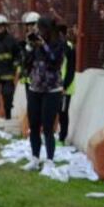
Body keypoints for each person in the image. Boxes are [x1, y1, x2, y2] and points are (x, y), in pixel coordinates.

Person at [22, 17, 66, 173]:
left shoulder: (59, 43)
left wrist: (44, 46)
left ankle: (49, 160)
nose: (39, 32)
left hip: (52, 90)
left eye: (41, 29)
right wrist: (29, 47)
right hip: (35, 88)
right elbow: (25, 64)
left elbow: (54, 62)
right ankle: (35, 158)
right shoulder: (36, 45)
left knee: (48, 127)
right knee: (34, 125)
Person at [57, 23, 76, 143]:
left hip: (65, 87)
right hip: (53, 86)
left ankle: (62, 137)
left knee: (63, 112)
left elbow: (71, 69)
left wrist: (64, 86)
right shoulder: (52, 46)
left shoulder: (69, 47)